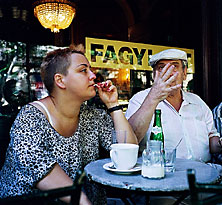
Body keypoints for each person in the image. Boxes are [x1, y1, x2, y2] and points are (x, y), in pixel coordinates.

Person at [0, 45, 137, 205]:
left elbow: (128, 152)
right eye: (83, 70)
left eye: (90, 70)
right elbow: (38, 167)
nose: (93, 76)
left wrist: (113, 105)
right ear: (60, 80)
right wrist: (84, 202)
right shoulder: (30, 117)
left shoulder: (93, 116)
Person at [125, 48, 222, 165]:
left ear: (184, 73)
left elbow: (211, 140)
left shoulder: (197, 101)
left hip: (204, 172)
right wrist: (153, 98)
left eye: (174, 66)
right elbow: (128, 142)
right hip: (163, 175)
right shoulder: (140, 100)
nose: (169, 73)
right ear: (154, 75)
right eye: (162, 67)